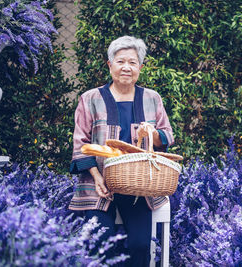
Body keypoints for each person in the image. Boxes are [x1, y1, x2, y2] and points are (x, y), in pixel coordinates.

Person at [68, 36, 174, 266]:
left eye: (133, 62)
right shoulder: (90, 99)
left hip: (139, 187)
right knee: (99, 242)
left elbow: (167, 135)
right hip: (99, 186)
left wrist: (152, 133)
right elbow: (80, 143)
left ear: (141, 68)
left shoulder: (152, 98)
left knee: (140, 245)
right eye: (120, 61)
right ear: (110, 65)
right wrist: (97, 178)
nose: (126, 67)